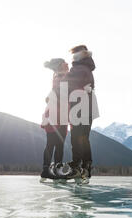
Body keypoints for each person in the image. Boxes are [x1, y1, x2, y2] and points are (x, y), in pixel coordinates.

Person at [65, 45, 99, 184]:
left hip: (79, 108)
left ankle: (81, 167)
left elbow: (67, 86)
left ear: (78, 56)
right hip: (85, 107)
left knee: (78, 138)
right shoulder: (86, 69)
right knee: (82, 137)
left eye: (73, 54)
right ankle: (83, 166)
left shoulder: (78, 69)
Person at [40, 58, 69, 180]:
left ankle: (48, 170)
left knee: (52, 144)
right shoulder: (62, 78)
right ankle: (55, 170)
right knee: (57, 144)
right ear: (60, 66)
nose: (67, 66)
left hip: (55, 114)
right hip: (57, 115)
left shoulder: (58, 77)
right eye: (64, 65)